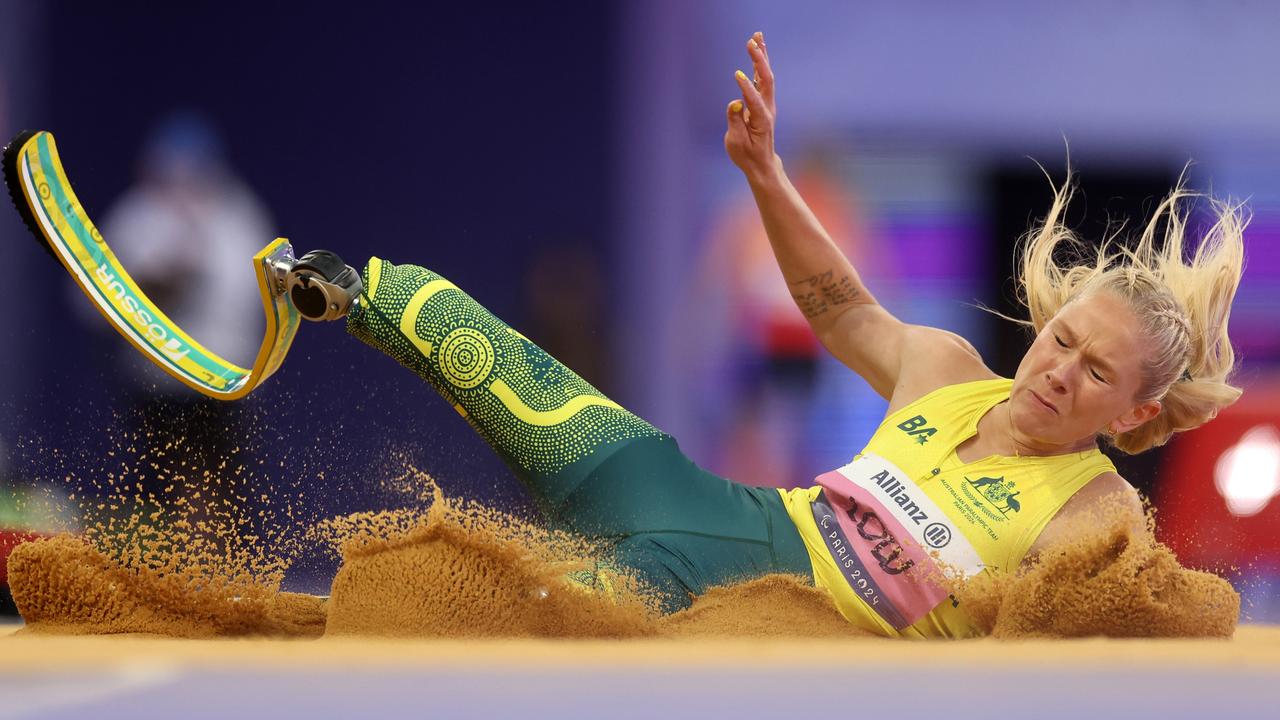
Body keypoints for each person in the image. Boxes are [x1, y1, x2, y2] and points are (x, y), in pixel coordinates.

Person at [344, 32, 1246, 638]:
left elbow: (1153, 633)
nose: (1059, 373)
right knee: (428, 306)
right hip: (687, 503)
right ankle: (310, 284)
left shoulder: (1096, 515)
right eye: (1064, 342)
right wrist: (767, 175)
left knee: (504, 631)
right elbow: (843, 310)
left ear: (1136, 413)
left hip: (736, 607)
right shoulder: (943, 367)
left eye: (1097, 374)